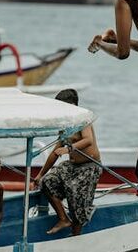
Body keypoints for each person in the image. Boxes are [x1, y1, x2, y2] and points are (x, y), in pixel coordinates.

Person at [32, 89, 102, 236]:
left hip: (89, 166)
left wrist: (68, 149)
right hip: (72, 166)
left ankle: (75, 236)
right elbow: (55, 152)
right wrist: (40, 175)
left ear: (72, 105)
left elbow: (88, 140)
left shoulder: (83, 118)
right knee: (48, 181)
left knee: (76, 200)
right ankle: (63, 219)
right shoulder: (65, 124)